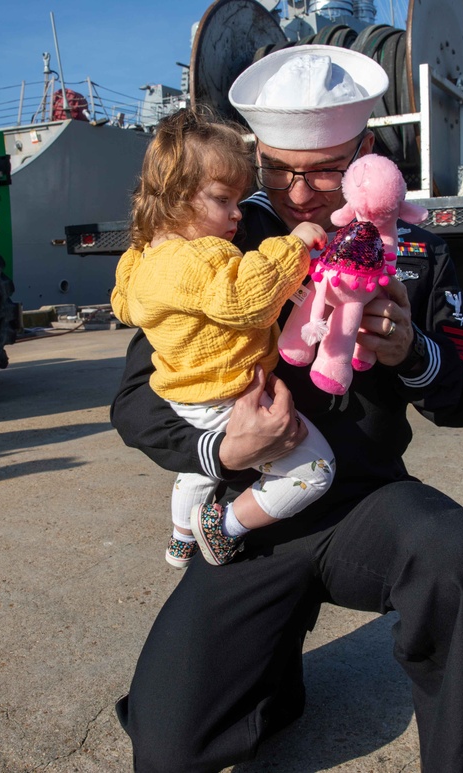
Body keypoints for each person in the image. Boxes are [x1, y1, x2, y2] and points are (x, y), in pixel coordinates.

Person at [111, 45, 463, 772]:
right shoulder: (222, 239)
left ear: (365, 152)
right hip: (255, 512)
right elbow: (136, 396)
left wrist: (413, 353)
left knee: (457, 556)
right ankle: (271, 679)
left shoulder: (409, 247)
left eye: (324, 169)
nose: (298, 194)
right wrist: (222, 450)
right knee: (165, 748)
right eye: (279, 169)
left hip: (368, 505)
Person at [110, 106, 335, 568]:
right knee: (315, 471)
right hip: (228, 396)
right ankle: (223, 526)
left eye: (239, 201)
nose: (237, 215)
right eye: (221, 199)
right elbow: (246, 297)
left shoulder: (139, 260)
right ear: (175, 196)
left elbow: (124, 305)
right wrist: (293, 245)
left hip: (186, 400)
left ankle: (179, 539)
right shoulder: (199, 258)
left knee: (198, 469)